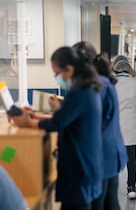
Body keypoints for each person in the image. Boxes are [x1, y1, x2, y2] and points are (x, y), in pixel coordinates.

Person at [10, 46, 105, 210]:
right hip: (88, 163)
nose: (57, 78)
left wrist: (28, 123)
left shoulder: (79, 92)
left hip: (79, 166)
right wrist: (35, 116)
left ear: (69, 69)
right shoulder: (89, 88)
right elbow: (66, 116)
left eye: (57, 73)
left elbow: (57, 122)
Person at [73, 41, 127, 210]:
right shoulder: (103, 81)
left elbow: (91, 121)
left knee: (99, 203)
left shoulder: (97, 86)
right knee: (110, 203)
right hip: (111, 152)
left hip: (102, 154)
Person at [112, 55, 136, 199]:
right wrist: (133, 72)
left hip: (113, 127)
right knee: (132, 158)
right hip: (130, 126)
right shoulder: (135, 83)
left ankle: (111, 187)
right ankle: (131, 187)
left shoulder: (110, 84)